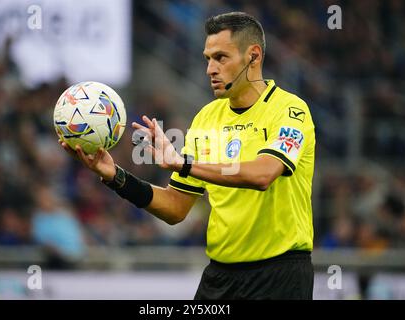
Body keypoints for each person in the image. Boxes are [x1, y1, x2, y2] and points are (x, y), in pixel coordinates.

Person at [60, 12, 315, 299]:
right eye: (208, 58)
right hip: (221, 276)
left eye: (221, 58)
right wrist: (115, 176)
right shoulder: (206, 119)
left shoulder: (290, 111)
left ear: (253, 56)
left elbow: (263, 174)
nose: (210, 69)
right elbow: (175, 208)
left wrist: (185, 163)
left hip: (279, 276)